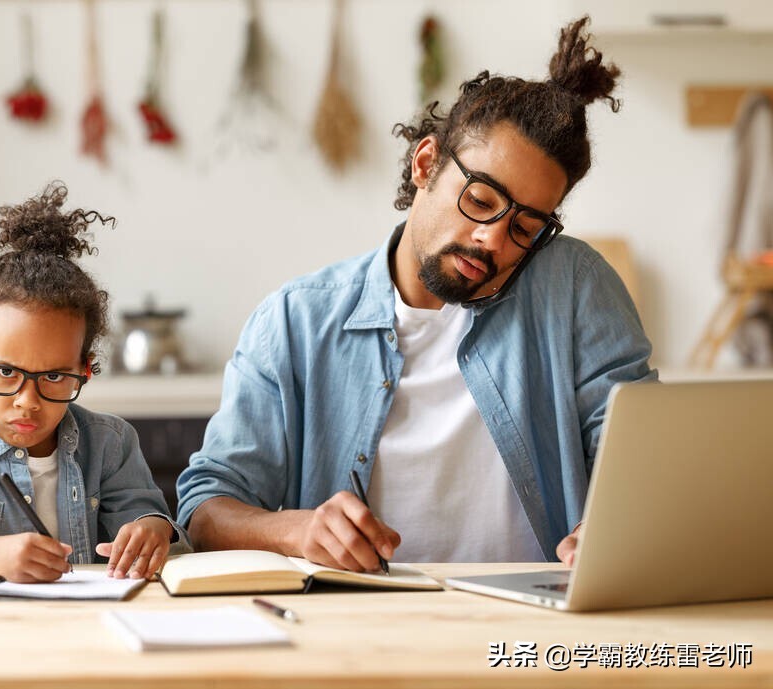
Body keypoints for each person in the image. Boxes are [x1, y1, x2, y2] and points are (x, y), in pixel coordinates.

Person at [176, 17, 657, 571]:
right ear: (425, 163)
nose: (493, 239)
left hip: (536, 625)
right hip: (360, 625)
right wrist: (297, 529)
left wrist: (611, 524)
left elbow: (640, 447)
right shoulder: (295, 320)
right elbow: (205, 509)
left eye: (526, 227)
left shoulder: (574, 285)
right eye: (480, 199)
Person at [0, 182, 188, 583]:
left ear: (84, 369)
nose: (27, 401)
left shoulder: (110, 443)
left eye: (54, 376)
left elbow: (147, 518)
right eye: (7, 372)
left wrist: (154, 529)